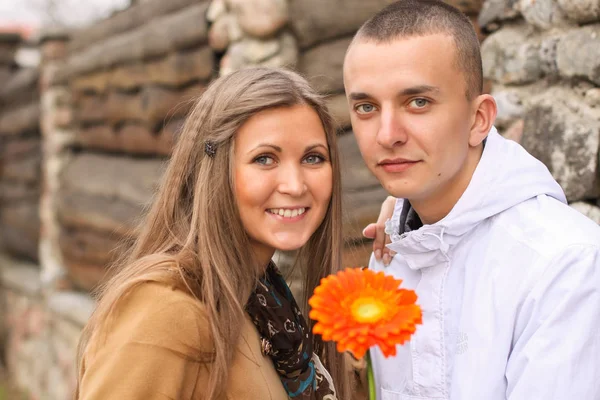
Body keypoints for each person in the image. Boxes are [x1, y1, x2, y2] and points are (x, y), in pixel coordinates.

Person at [344, 1, 600, 399]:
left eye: (418, 102)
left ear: (479, 119)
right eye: (366, 107)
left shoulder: (564, 264)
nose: (386, 134)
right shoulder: (388, 254)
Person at [74, 67, 351, 400]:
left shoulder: (267, 303)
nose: (294, 185)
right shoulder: (166, 312)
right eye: (265, 158)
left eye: (313, 157)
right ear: (216, 169)